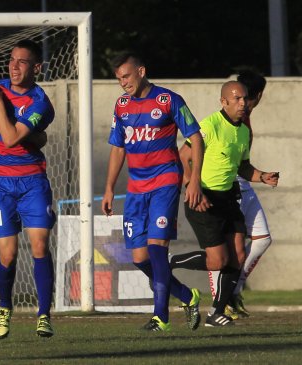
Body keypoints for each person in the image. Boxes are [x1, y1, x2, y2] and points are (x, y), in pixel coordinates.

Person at [101, 52, 204, 332]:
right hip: (135, 188)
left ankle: (161, 317)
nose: (123, 83)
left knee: (157, 249)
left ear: (141, 71)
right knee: (139, 258)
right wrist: (109, 189)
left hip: (165, 180)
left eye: (127, 76)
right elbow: (118, 147)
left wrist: (194, 180)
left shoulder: (168, 100)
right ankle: (186, 295)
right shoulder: (121, 106)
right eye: (119, 78)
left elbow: (195, 138)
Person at [172, 81, 279, 327]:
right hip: (204, 199)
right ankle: (170, 263)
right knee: (218, 261)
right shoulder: (209, 126)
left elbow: (243, 166)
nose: (243, 103)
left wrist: (262, 176)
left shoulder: (243, 131)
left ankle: (216, 313)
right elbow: (183, 157)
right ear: (224, 101)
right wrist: (192, 187)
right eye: (237, 99)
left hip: (228, 196)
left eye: (244, 98)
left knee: (238, 255)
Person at [0, 39, 56, 339]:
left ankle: (44, 315)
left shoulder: (40, 102)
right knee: (8, 254)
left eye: (22, 61)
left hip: (32, 180)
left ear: (36, 67)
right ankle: (5, 307)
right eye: (11, 59)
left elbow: (10, 137)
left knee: (39, 245)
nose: (14, 65)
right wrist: (34, 138)